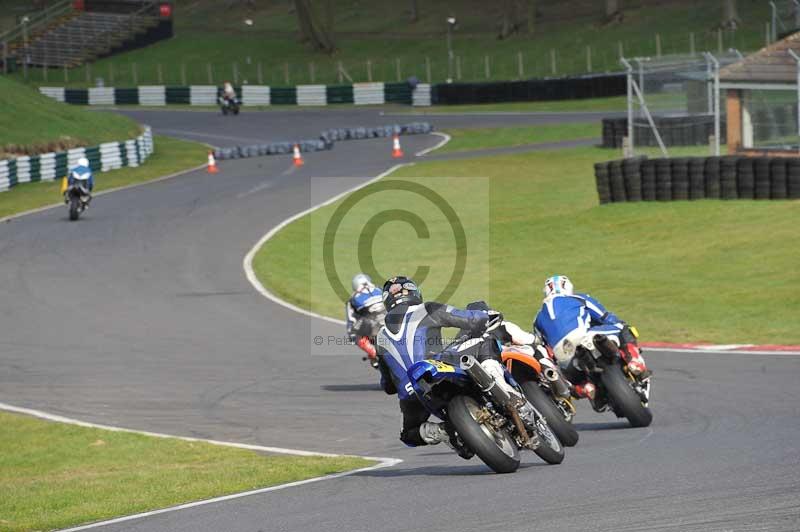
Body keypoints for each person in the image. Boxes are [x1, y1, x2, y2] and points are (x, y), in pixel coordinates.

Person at [375, 276, 534, 450]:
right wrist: (484, 315)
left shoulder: (380, 338)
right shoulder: (426, 309)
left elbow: (388, 386)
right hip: (438, 365)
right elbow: (472, 319)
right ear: (414, 292)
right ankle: (504, 389)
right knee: (485, 340)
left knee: (408, 435)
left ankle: (444, 431)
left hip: (412, 393)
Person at [533, 275, 650, 400]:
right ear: (568, 287)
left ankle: (585, 388)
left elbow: (543, 349)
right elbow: (605, 317)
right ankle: (634, 361)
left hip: (562, 354)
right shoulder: (578, 298)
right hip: (583, 335)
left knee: (569, 382)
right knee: (621, 326)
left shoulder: (537, 320)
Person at [345, 273, 386, 367]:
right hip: (389, 319)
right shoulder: (380, 289)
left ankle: (374, 353)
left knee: (356, 335)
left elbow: (351, 319)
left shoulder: (353, 299)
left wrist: (351, 335)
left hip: (372, 324)